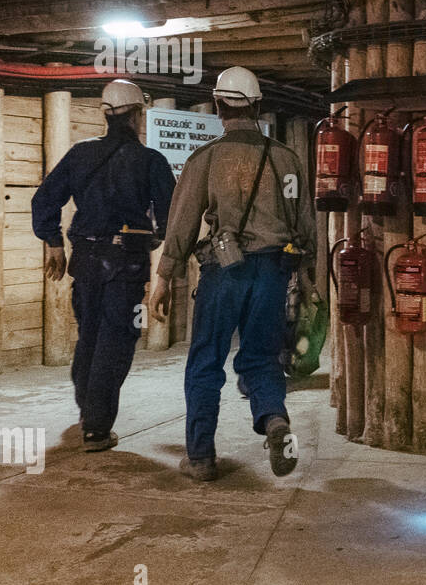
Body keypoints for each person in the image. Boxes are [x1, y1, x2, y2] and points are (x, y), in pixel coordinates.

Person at [150, 66, 316, 482]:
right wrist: (308, 275)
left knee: (206, 360)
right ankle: (274, 419)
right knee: (261, 357)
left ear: (220, 107)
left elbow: (183, 222)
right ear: (258, 106)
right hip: (273, 270)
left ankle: (202, 457)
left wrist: (164, 277)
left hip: (224, 272)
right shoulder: (287, 160)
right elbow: (303, 222)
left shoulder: (205, 159)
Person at [32, 79, 176, 452]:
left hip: (85, 259)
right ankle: (96, 427)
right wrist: (153, 240)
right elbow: (170, 217)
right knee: (118, 338)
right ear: (137, 115)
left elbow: (44, 199)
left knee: (91, 333)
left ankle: (87, 410)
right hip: (126, 262)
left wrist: (53, 242)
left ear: (108, 114)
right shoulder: (151, 161)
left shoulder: (80, 154)